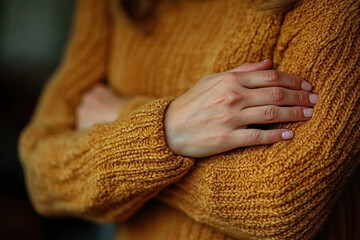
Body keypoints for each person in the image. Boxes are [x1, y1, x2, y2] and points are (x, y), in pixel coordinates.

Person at [18, 0, 360, 239]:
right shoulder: (113, 4)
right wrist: (167, 130)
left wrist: (121, 118)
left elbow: (284, 202)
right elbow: (40, 173)